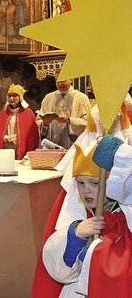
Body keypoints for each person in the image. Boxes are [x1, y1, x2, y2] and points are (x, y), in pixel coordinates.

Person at [31, 103, 132, 297]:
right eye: (80, 183)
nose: (86, 191)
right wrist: (75, 236)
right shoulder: (77, 208)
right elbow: (59, 269)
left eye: (95, 184)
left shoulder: (124, 213)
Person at [36, 74, 90, 149]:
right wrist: (45, 124)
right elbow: (38, 121)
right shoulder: (48, 98)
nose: (60, 84)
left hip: (73, 144)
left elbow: (88, 123)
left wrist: (69, 120)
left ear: (71, 79)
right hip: (51, 144)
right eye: (57, 81)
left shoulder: (81, 98)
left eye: (62, 81)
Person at [0, 84, 39, 160]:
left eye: (14, 96)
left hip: (21, 148)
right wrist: (5, 138)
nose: (11, 98)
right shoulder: (3, 113)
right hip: (6, 149)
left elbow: (32, 135)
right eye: (10, 96)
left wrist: (19, 138)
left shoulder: (28, 112)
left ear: (20, 97)